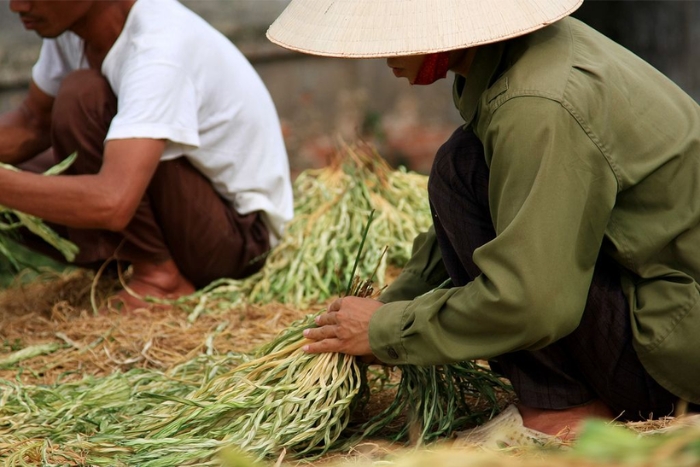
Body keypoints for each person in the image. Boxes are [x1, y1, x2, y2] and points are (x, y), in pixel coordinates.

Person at [266, 0, 700, 439]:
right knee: (463, 165)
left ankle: (566, 406)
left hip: (675, 347)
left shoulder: (536, 101)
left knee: (461, 169)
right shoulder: (524, 56)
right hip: (664, 299)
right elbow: (495, 199)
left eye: (393, 35)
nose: (385, 55)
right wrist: (392, 303)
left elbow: (532, 303)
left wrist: (386, 331)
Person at [1, 0, 293, 310]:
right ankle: (128, 263)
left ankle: (159, 278)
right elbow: (32, 122)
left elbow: (113, 201)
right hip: (179, 216)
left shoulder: (159, 46)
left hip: (238, 240)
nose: (16, 6)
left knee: (82, 97)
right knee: (21, 172)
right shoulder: (70, 29)